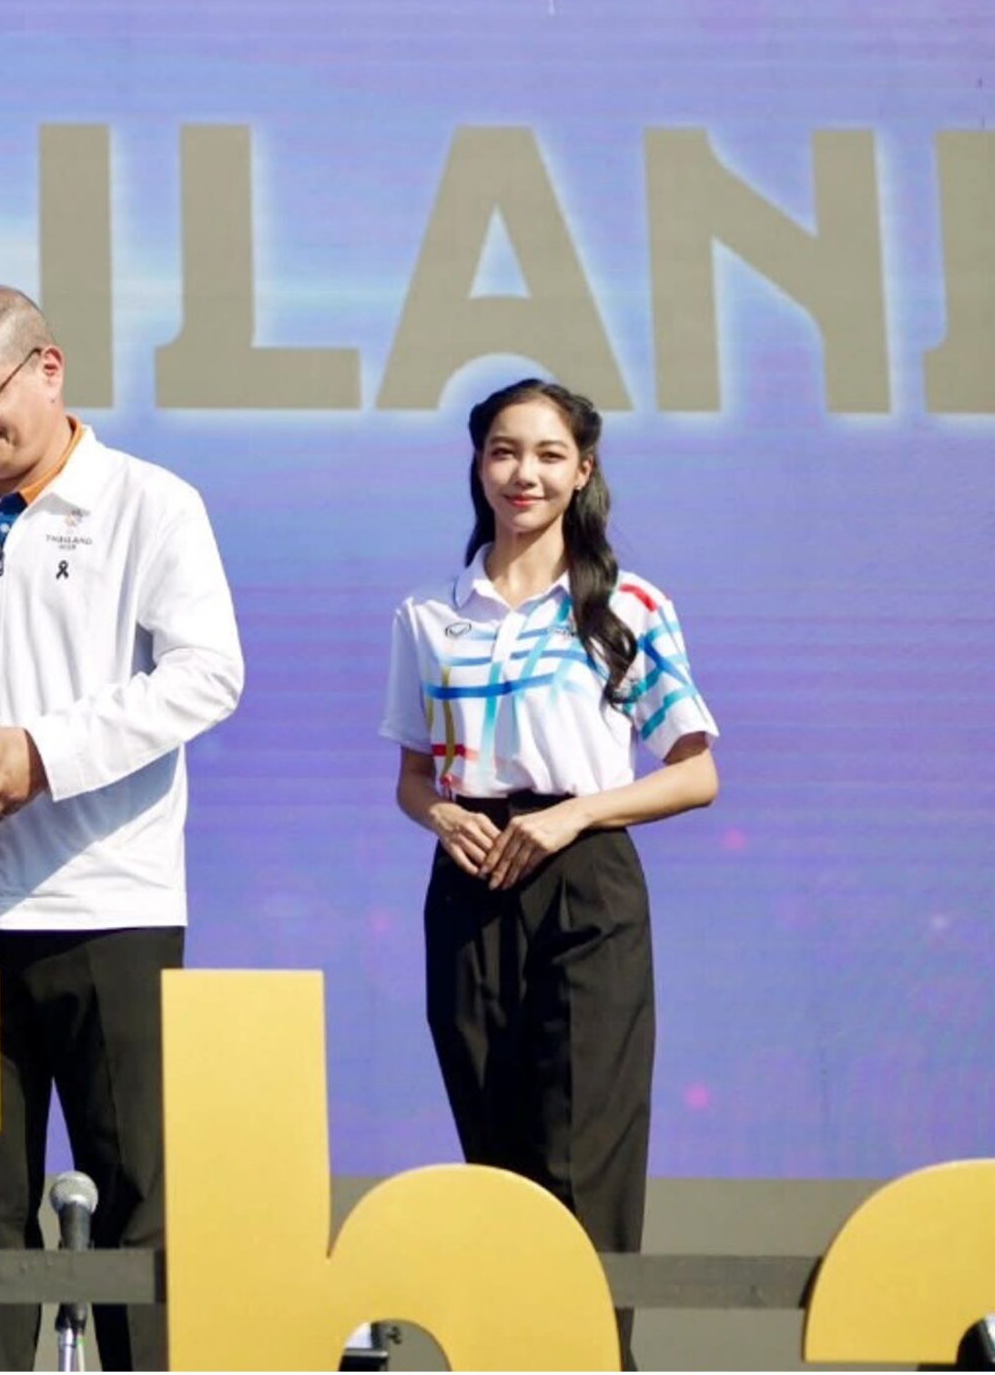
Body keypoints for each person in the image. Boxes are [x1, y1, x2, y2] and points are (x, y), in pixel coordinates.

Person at [0, 285, 244, 1373]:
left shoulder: (149, 503)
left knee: (138, 1206)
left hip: (108, 904)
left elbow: (208, 674)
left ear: (49, 367)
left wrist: (41, 752)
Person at [382, 376, 719, 1368]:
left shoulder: (622, 604)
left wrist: (574, 813)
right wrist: (441, 814)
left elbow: (695, 770)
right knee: (495, 1156)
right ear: (477, 464)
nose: (522, 472)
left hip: (585, 874)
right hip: (470, 881)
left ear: (581, 471)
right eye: (502, 450)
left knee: (582, 1149)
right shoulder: (429, 614)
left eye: (546, 454)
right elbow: (411, 777)